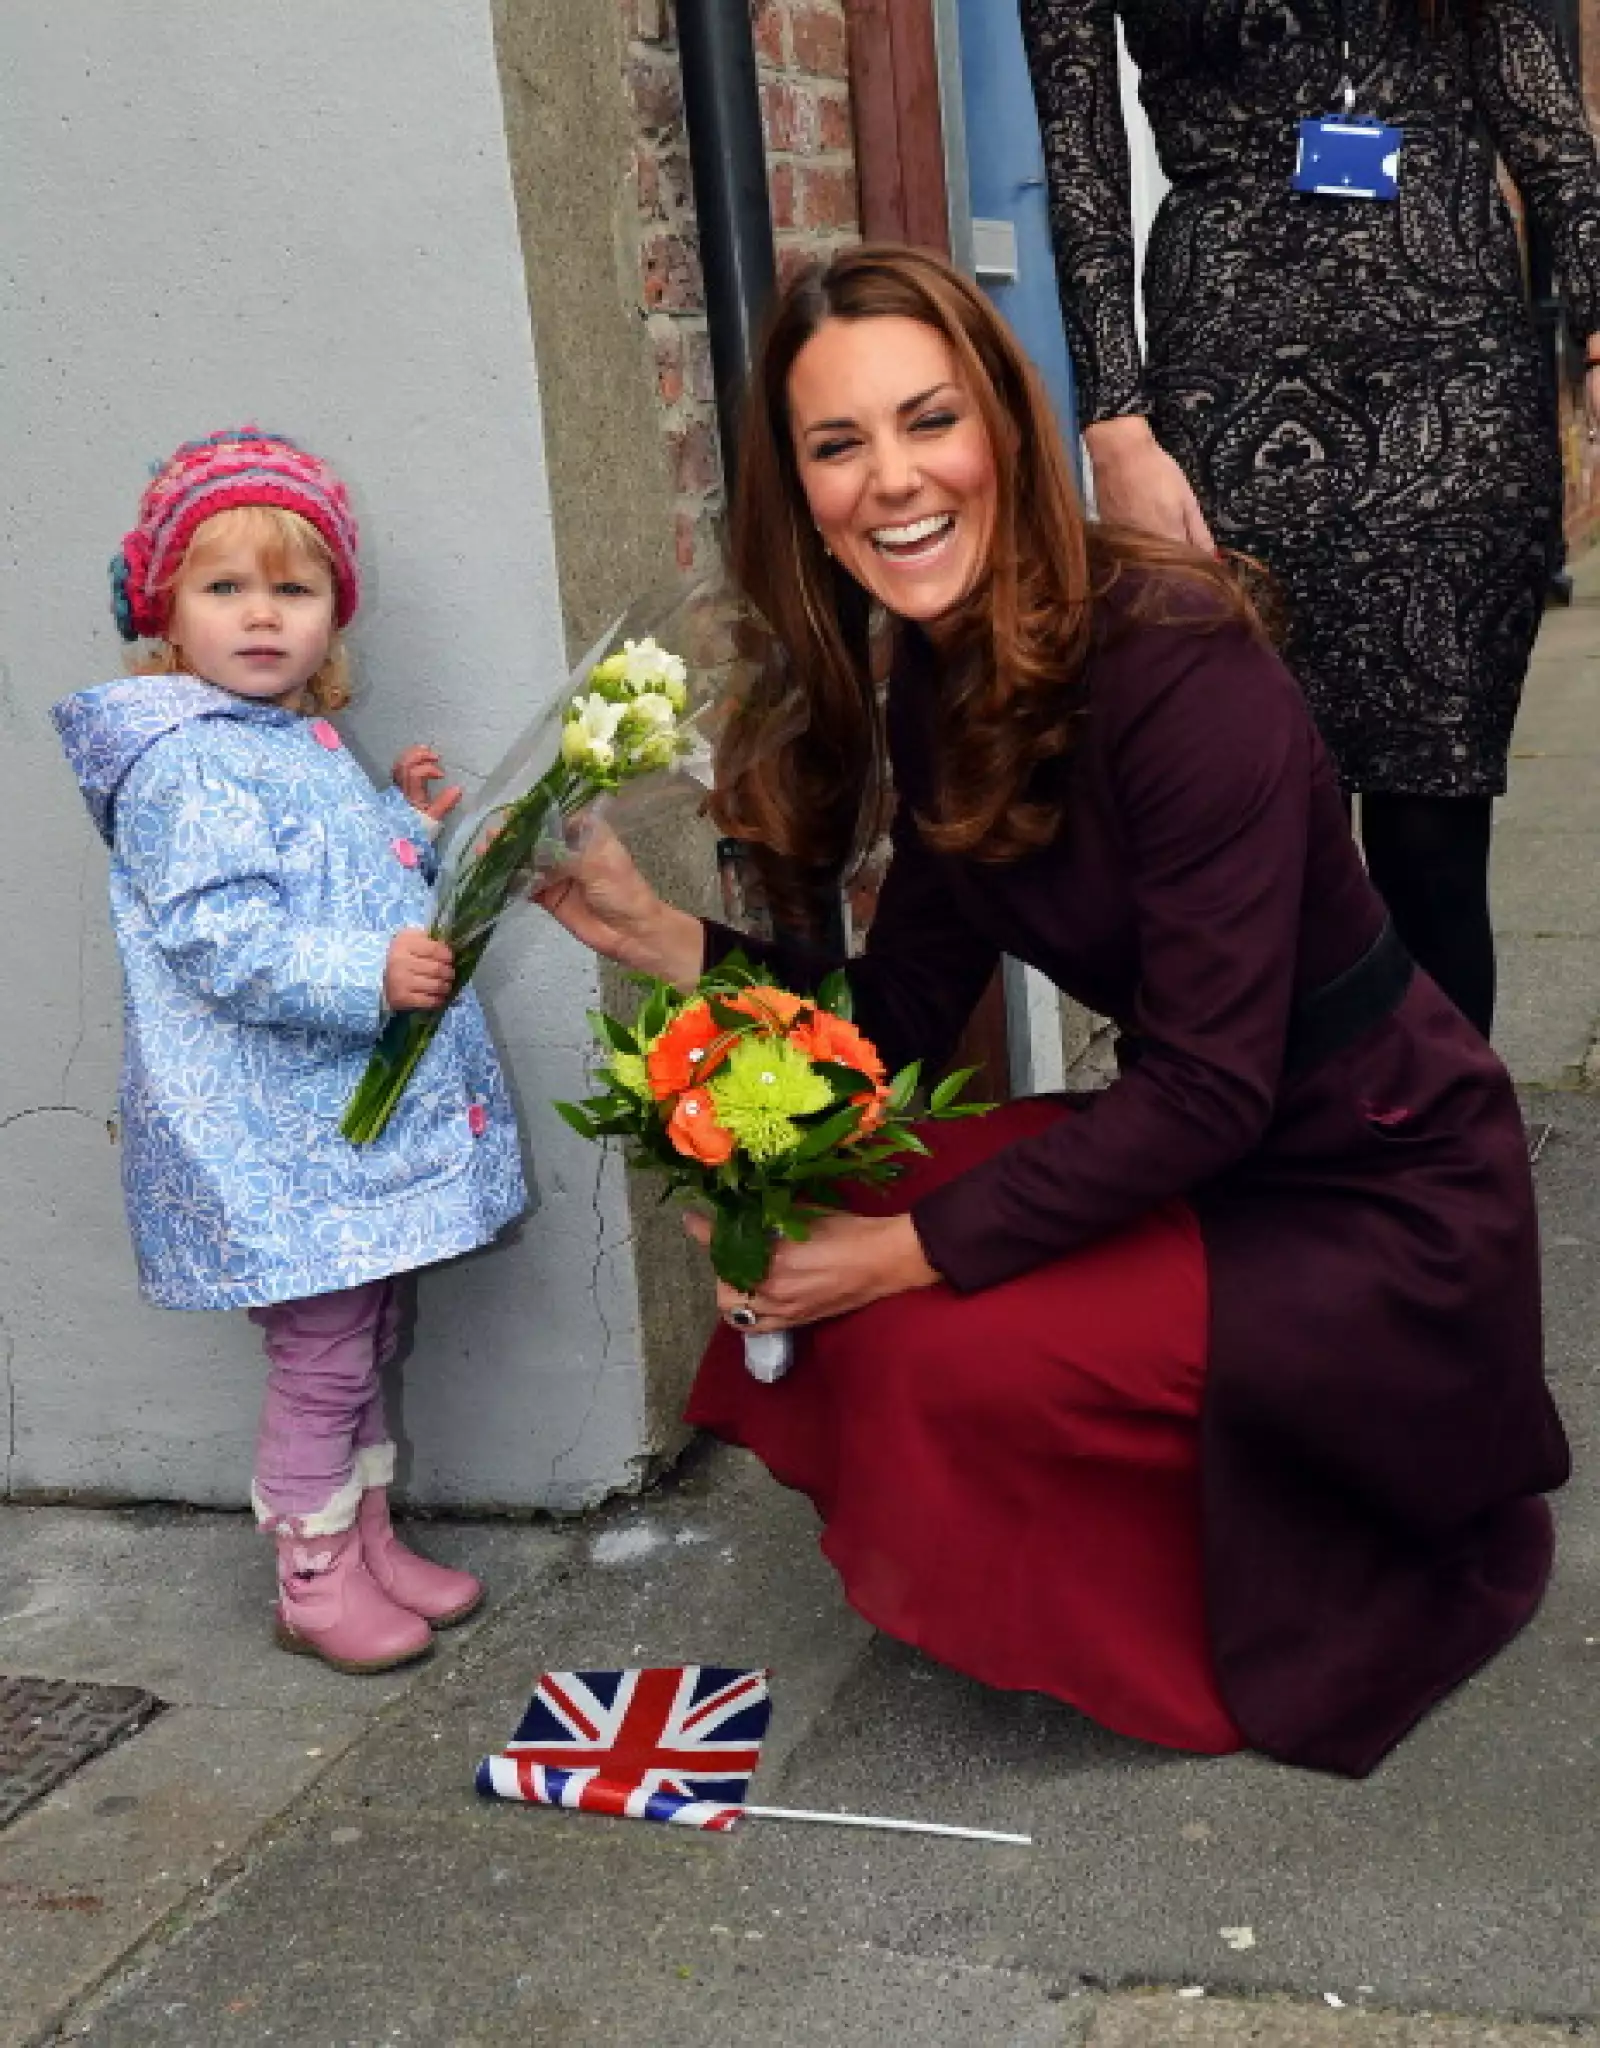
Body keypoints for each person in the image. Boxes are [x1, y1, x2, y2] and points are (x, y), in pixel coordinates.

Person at [537, 245, 1569, 1777]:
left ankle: (1217, 1561)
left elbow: (1212, 1092)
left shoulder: (1181, 664)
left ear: (1005, 431)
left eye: (925, 420)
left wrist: (893, 1265)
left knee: (917, 1322)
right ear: (803, 487)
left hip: (1371, 1190)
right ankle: (1124, 1495)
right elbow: (889, 1020)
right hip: (1212, 1149)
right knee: (851, 1192)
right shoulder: (934, 676)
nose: (892, 480)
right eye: (839, 444)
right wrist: (663, 937)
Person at [1020, 0, 1600, 1039]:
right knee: (1260, 835)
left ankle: (1439, 1178)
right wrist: (1112, 421)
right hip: (1224, 380)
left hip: (1453, 379)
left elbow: (1547, 125)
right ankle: (1286, 1170)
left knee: (1434, 836)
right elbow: (1081, 164)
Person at [53, 429, 527, 1675]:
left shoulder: (283, 740)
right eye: (225, 589)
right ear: (163, 612)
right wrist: (369, 972)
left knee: (364, 1331)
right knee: (324, 1349)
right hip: (275, 1134)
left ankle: (366, 1535)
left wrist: (406, 829)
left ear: (332, 615)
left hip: (330, 1126)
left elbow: (328, 873)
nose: (262, 617)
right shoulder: (186, 759)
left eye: (293, 590)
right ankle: (313, 1576)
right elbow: (225, 938)